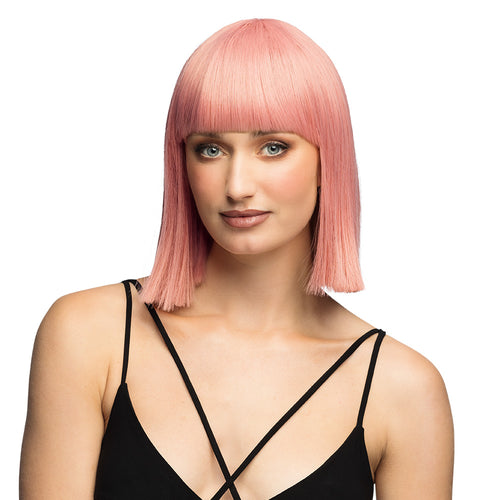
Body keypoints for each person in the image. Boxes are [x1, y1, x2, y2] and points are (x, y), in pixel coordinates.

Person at [20, 18, 454, 500]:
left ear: (327, 160)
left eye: (273, 147)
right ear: (182, 163)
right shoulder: (88, 335)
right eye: (210, 149)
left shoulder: (403, 389)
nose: (237, 185)